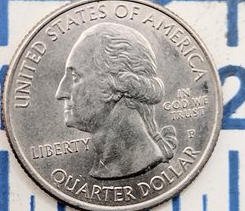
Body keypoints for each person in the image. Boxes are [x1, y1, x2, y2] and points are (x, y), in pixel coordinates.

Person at [55, 23, 177, 179]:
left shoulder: (135, 163)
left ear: (118, 83)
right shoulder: (105, 167)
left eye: (75, 77)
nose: (60, 93)